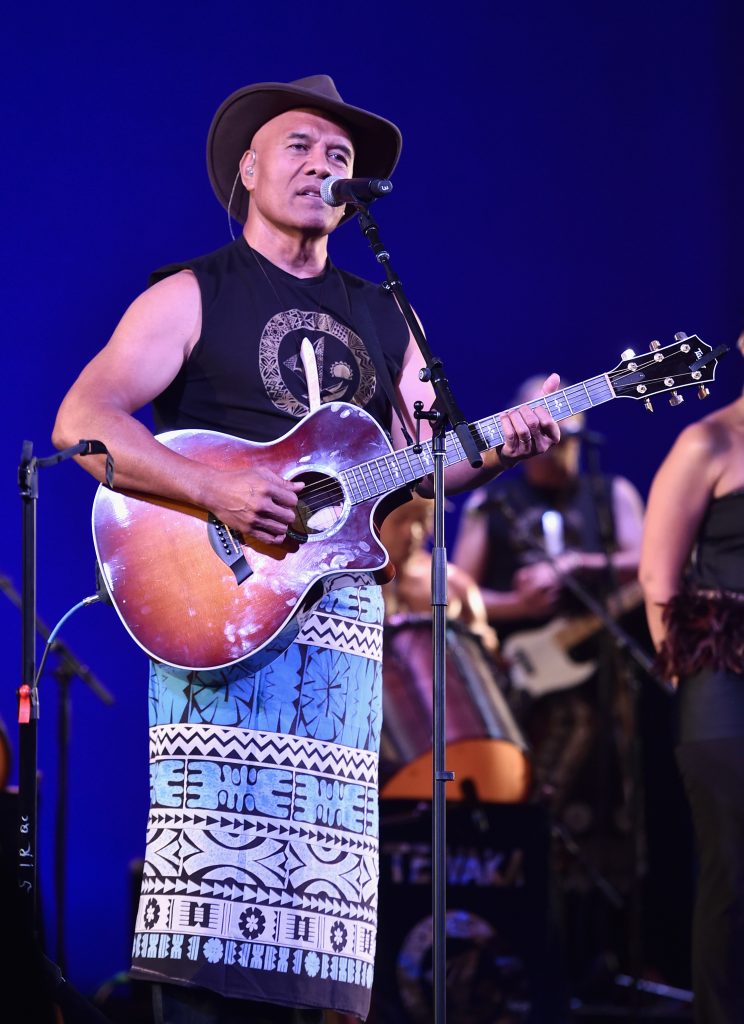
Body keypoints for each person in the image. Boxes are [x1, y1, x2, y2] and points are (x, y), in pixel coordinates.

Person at [51, 76, 561, 1024]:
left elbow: (419, 473)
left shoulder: (386, 312)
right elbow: (84, 420)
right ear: (247, 169)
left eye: (339, 157)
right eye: (299, 146)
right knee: (211, 928)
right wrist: (218, 487)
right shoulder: (190, 293)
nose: (323, 165)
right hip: (219, 608)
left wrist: (500, 449)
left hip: (339, 639)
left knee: (313, 942)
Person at [452, 374, 647, 990]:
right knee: (531, 809)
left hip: (596, 682)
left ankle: (604, 959)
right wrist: (517, 605)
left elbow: (649, 557)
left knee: (611, 810)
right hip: (521, 686)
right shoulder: (493, 504)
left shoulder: (607, 493)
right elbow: (458, 590)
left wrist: (580, 565)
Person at [639, 332, 744, 1024]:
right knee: (735, 871)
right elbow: (657, 580)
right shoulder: (708, 444)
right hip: (723, 682)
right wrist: (689, 680)